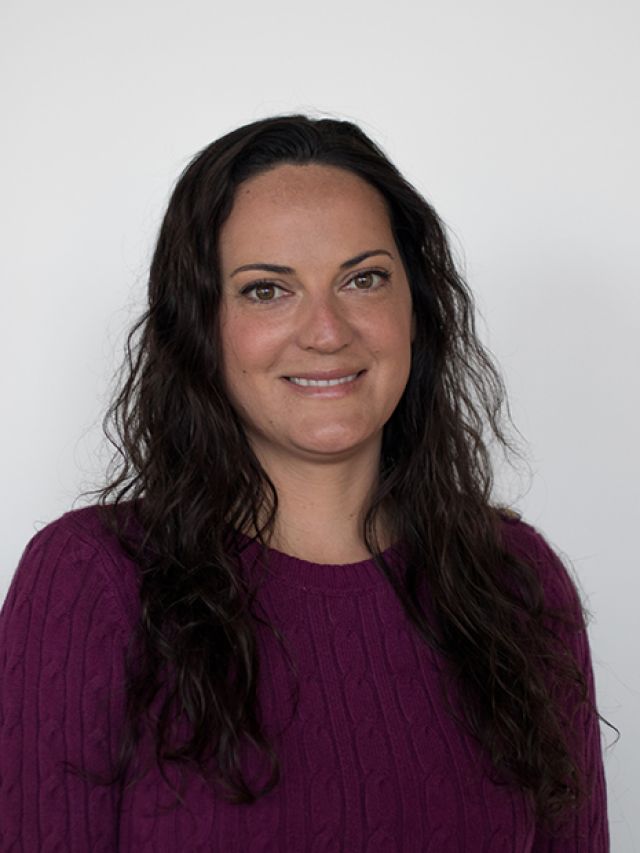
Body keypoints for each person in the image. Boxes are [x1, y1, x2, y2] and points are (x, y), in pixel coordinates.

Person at [0, 114, 609, 851]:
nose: (326, 330)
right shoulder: (94, 581)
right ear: (201, 323)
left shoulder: (517, 584)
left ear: (415, 308)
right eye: (266, 290)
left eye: (364, 278)